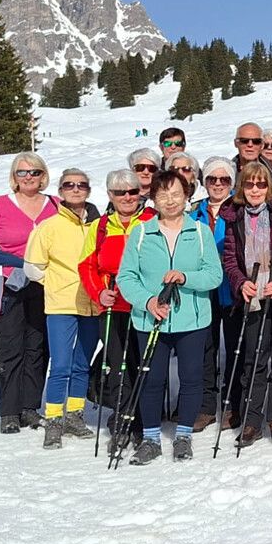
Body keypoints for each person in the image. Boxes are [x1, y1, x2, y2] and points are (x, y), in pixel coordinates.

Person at [116, 171, 223, 463]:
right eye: (163, 194)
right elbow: (126, 277)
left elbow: (214, 275)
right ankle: (150, 438)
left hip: (193, 320)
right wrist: (147, 301)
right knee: (152, 379)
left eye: (176, 193)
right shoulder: (141, 233)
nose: (170, 200)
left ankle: (184, 435)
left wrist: (186, 277)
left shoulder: (200, 232)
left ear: (187, 195)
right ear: (154, 198)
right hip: (151, 319)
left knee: (191, 378)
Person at [0, 153, 59, 433]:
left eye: (34, 172)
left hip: (43, 283)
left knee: (38, 346)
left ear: (43, 175)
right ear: (14, 176)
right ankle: (9, 409)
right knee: (9, 346)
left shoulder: (55, 205)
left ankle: (29, 407)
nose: (28, 177)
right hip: (3, 283)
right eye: (22, 172)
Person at [23, 168, 101, 449]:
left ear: (89, 190)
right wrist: (54, 283)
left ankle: (75, 414)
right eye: (69, 185)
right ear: (61, 191)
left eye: (81, 185)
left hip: (92, 304)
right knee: (61, 365)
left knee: (81, 364)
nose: (76, 189)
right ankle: (54, 417)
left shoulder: (98, 225)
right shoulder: (49, 226)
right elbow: (32, 267)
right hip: (61, 305)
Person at [222, 162, 272, 446]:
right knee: (253, 358)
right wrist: (241, 282)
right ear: (242, 187)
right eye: (250, 184)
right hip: (252, 295)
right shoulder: (235, 217)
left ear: (269, 187)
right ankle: (251, 419)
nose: (255, 189)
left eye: (261, 184)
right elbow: (230, 258)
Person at [78, 169, 155, 437]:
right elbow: (87, 265)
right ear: (110, 195)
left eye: (132, 191)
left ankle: (145, 416)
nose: (127, 197)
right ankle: (122, 414)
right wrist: (98, 292)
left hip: (145, 306)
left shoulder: (151, 220)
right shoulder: (100, 227)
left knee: (143, 362)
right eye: (120, 192)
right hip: (113, 304)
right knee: (116, 363)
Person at [189, 157, 242, 431]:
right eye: (212, 179)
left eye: (224, 179)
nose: (218, 184)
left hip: (232, 287)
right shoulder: (195, 213)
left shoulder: (240, 208)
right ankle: (206, 405)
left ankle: (234, 402)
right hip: (202, 289)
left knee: (234, 345)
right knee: (205, 347)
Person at [233, 122, 272, 188]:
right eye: (244, 140)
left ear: (262, 145)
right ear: (236, 143)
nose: (250, 145)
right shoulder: (225, 174)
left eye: (256, 141)